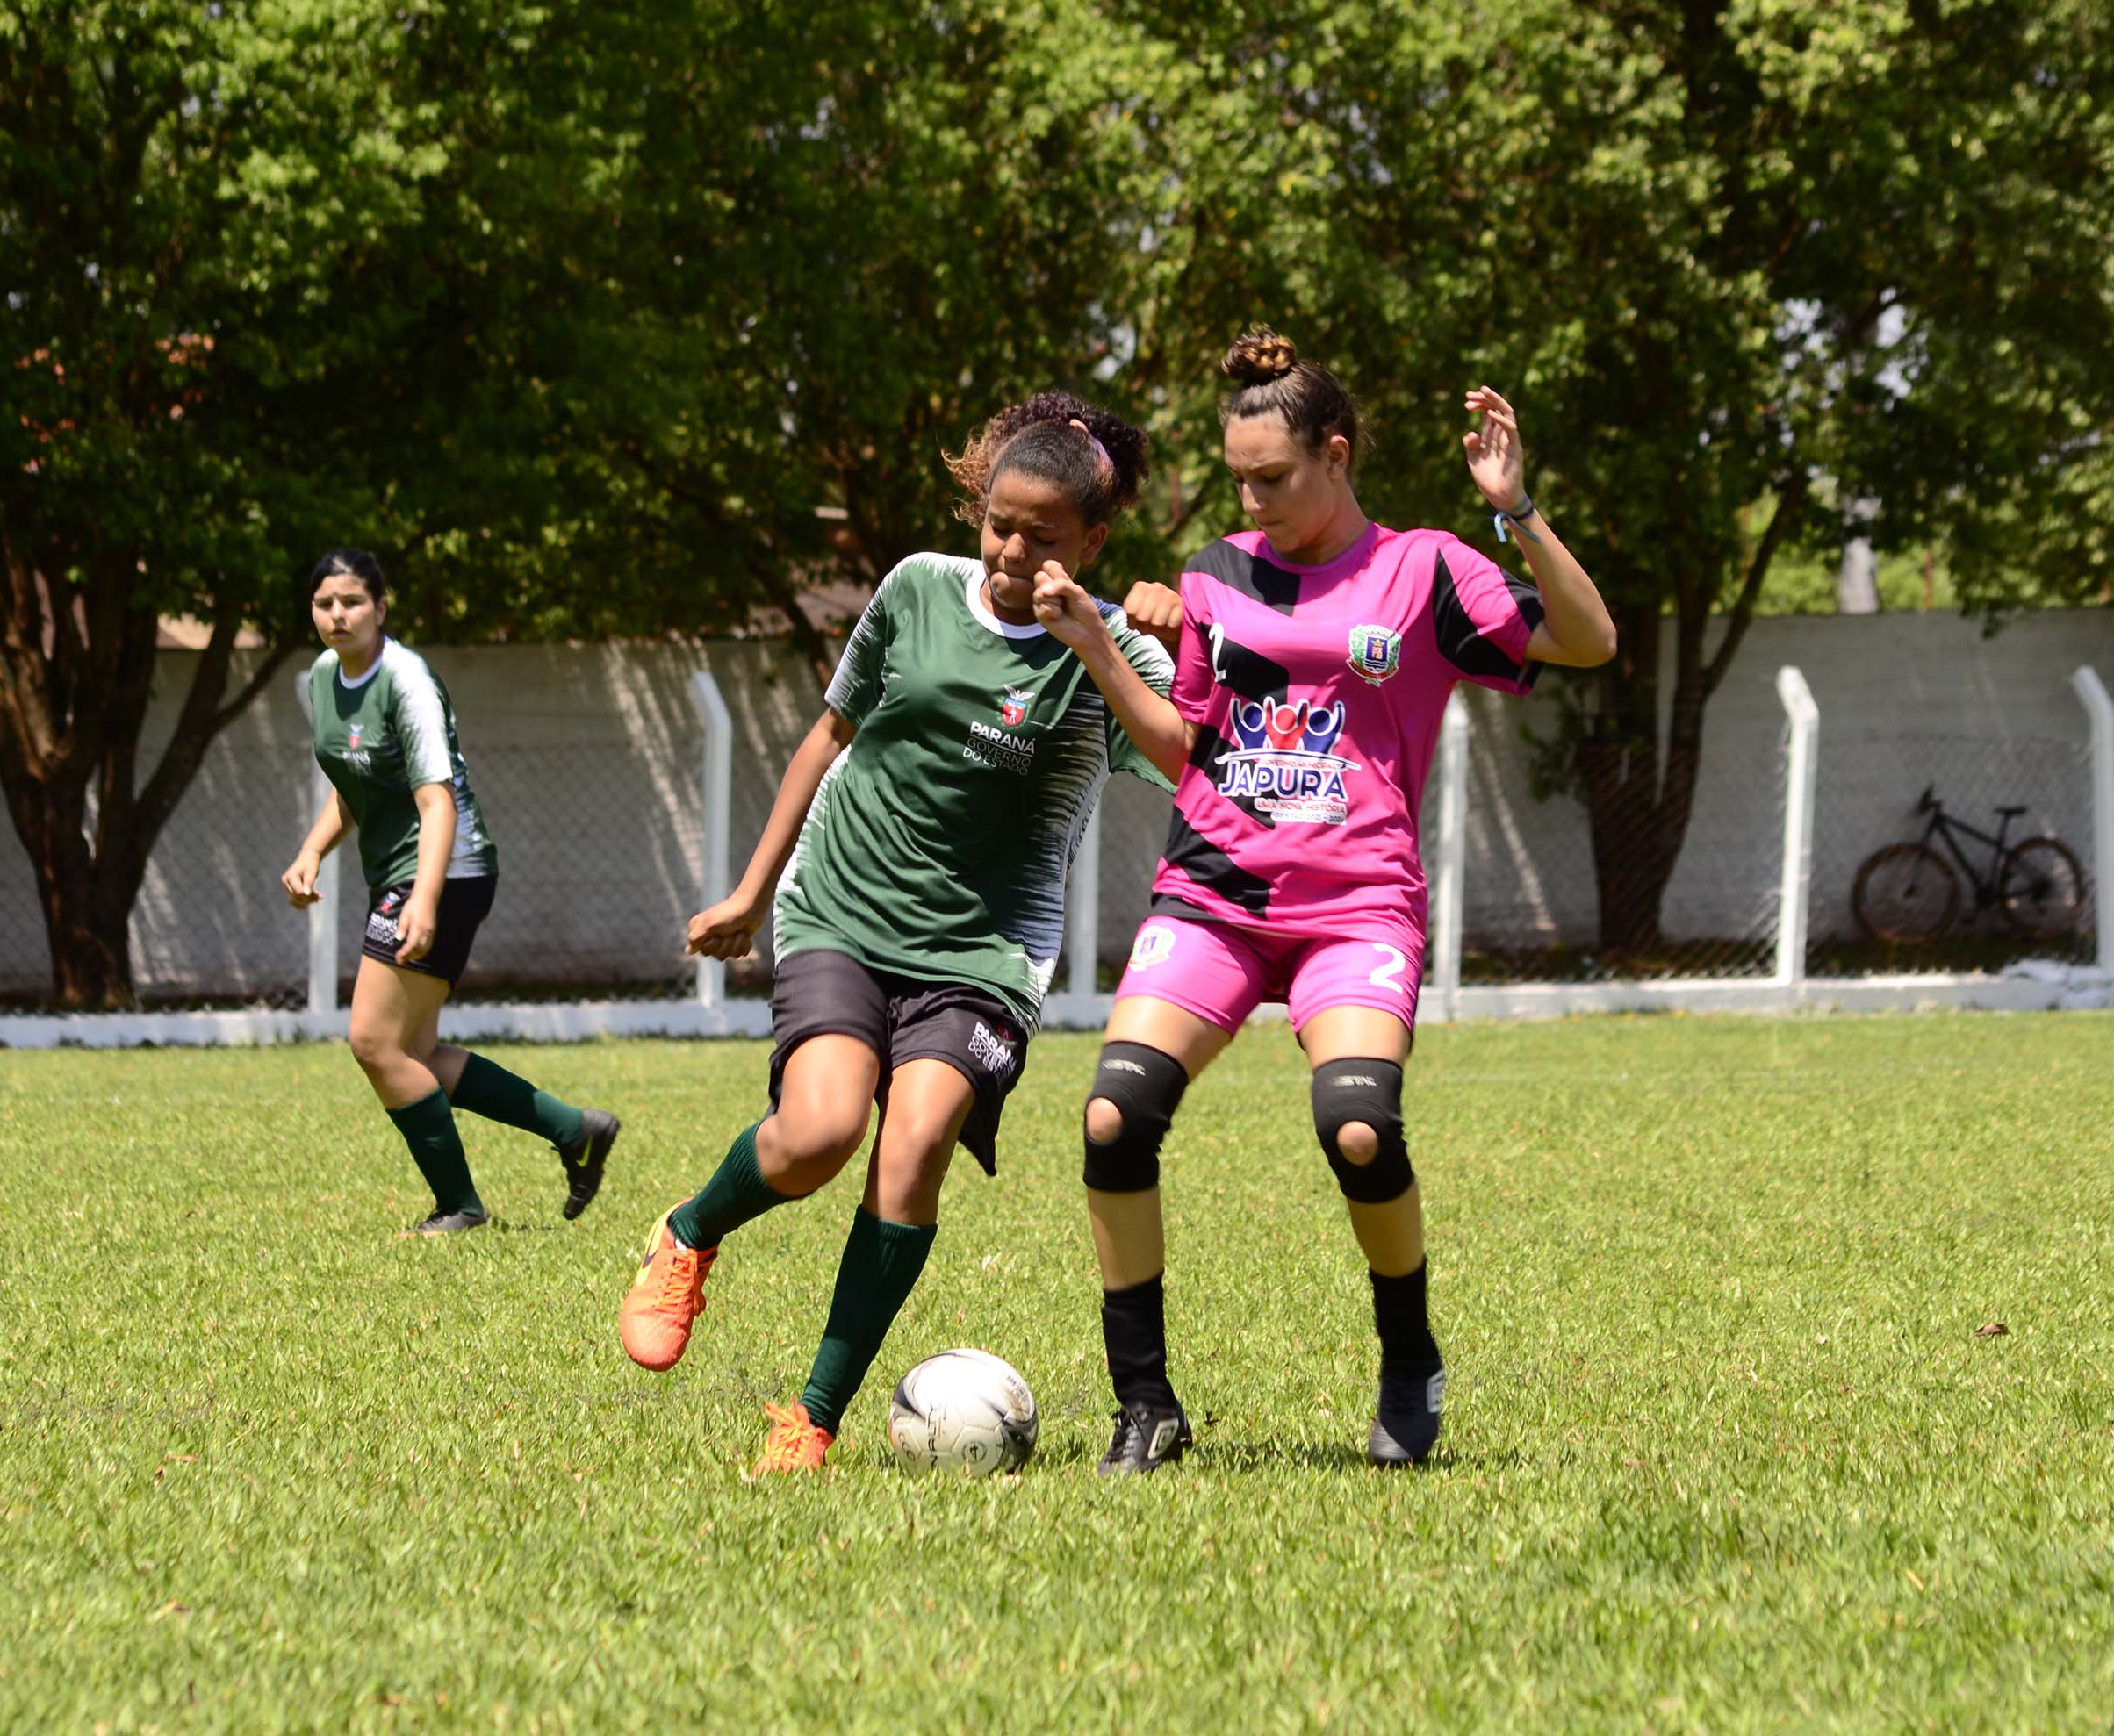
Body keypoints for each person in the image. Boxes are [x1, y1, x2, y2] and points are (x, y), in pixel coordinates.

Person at [1032, 330, 1617, 1474]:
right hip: (1212, 893)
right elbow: (1184, 747)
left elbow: (1587, 640)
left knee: (1357, 1126)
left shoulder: (1428, 571)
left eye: (1272, 478)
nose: (1251, 500)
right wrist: (1105, 642)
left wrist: (1519, 509)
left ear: (1336, 456)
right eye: (1238, 478)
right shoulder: (1216, 572)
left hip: (1357, 904)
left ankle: (1410, 1364)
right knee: (1113, 1117)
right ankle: (1144, 1403)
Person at [615, 395, 1177, 1475]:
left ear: (1092, 541)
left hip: (985, 955)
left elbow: (1192, 751)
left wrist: (1110, 641)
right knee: (819, 1132)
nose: (1014, 552)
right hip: (843, 907)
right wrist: (747, 889)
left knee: (911, 1148)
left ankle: (814, 1416)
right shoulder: (917, 587)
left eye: (1044, 536)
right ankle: (689, 1231)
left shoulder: (1107, 648)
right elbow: (832, 730)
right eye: (999, 525)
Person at [281, 549, 619, 1235]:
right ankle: (574, 1129)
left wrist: (424, 899)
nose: (338, 614)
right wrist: (313, 849)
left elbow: (437, 804)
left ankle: (460, 1207)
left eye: (352, 601)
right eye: (324, 603)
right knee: (416, 1054)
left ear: (381, 606)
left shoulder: (406, 680)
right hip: (407, 874)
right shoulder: (323, 676)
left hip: (446, 871)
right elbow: (357, 782)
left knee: (374, 1044)